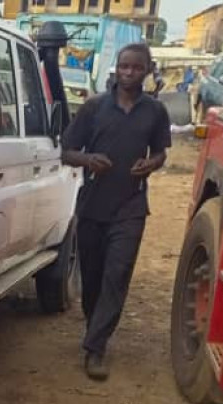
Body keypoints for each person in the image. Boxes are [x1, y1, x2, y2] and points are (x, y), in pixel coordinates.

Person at [60, 42, 171, 380]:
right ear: (116, 68)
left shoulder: (155, 111)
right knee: (92, 278)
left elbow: (161, 153)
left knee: (117, 274)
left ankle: (95, 348)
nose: (128, 73)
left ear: (147, 70)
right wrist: (88, 159)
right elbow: (66, 152)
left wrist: (150, 163)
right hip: (93, 205)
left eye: (136, 68)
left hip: (131, 206)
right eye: (124, 66)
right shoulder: (94, 108)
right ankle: (95, 325)